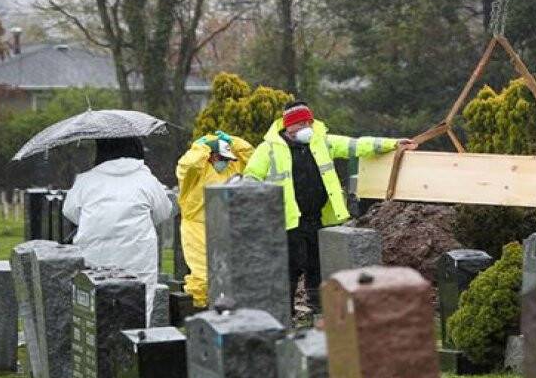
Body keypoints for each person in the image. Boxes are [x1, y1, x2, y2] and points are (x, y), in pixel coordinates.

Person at [244, 101, 414, 314]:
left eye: (309, 122)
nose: (306, 127)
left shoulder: (322, 142)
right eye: (301, 123)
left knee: (317, 264)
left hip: (319, 218)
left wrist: (392, 143)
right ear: (289, 126)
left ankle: (318, 308)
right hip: (287, 221)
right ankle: (284, 312)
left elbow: (356, 145)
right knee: (290, 267)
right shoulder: (268, 149)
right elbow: (251, 177)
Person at [63, 137, 174, 326]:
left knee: (96, 306)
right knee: (139, 304)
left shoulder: (86, 180)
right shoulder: (146, 179)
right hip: (137, 255)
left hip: (95, 254)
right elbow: (164, 212)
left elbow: (70, 211)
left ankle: (98, 352)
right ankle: (134, 348)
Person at [175, 130, 254, 308]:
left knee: (228, 272)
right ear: (211, 156)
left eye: (228, 158)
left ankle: (222, 310)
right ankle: (198, 310)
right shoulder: (195, 173)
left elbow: (250, 156)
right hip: (197, 225)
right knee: (202, 275)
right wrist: (201, 146)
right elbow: (187, 165)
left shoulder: (232, 167)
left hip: (224, 225)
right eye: (222, 158)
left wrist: (232, 141)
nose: (225, 162)